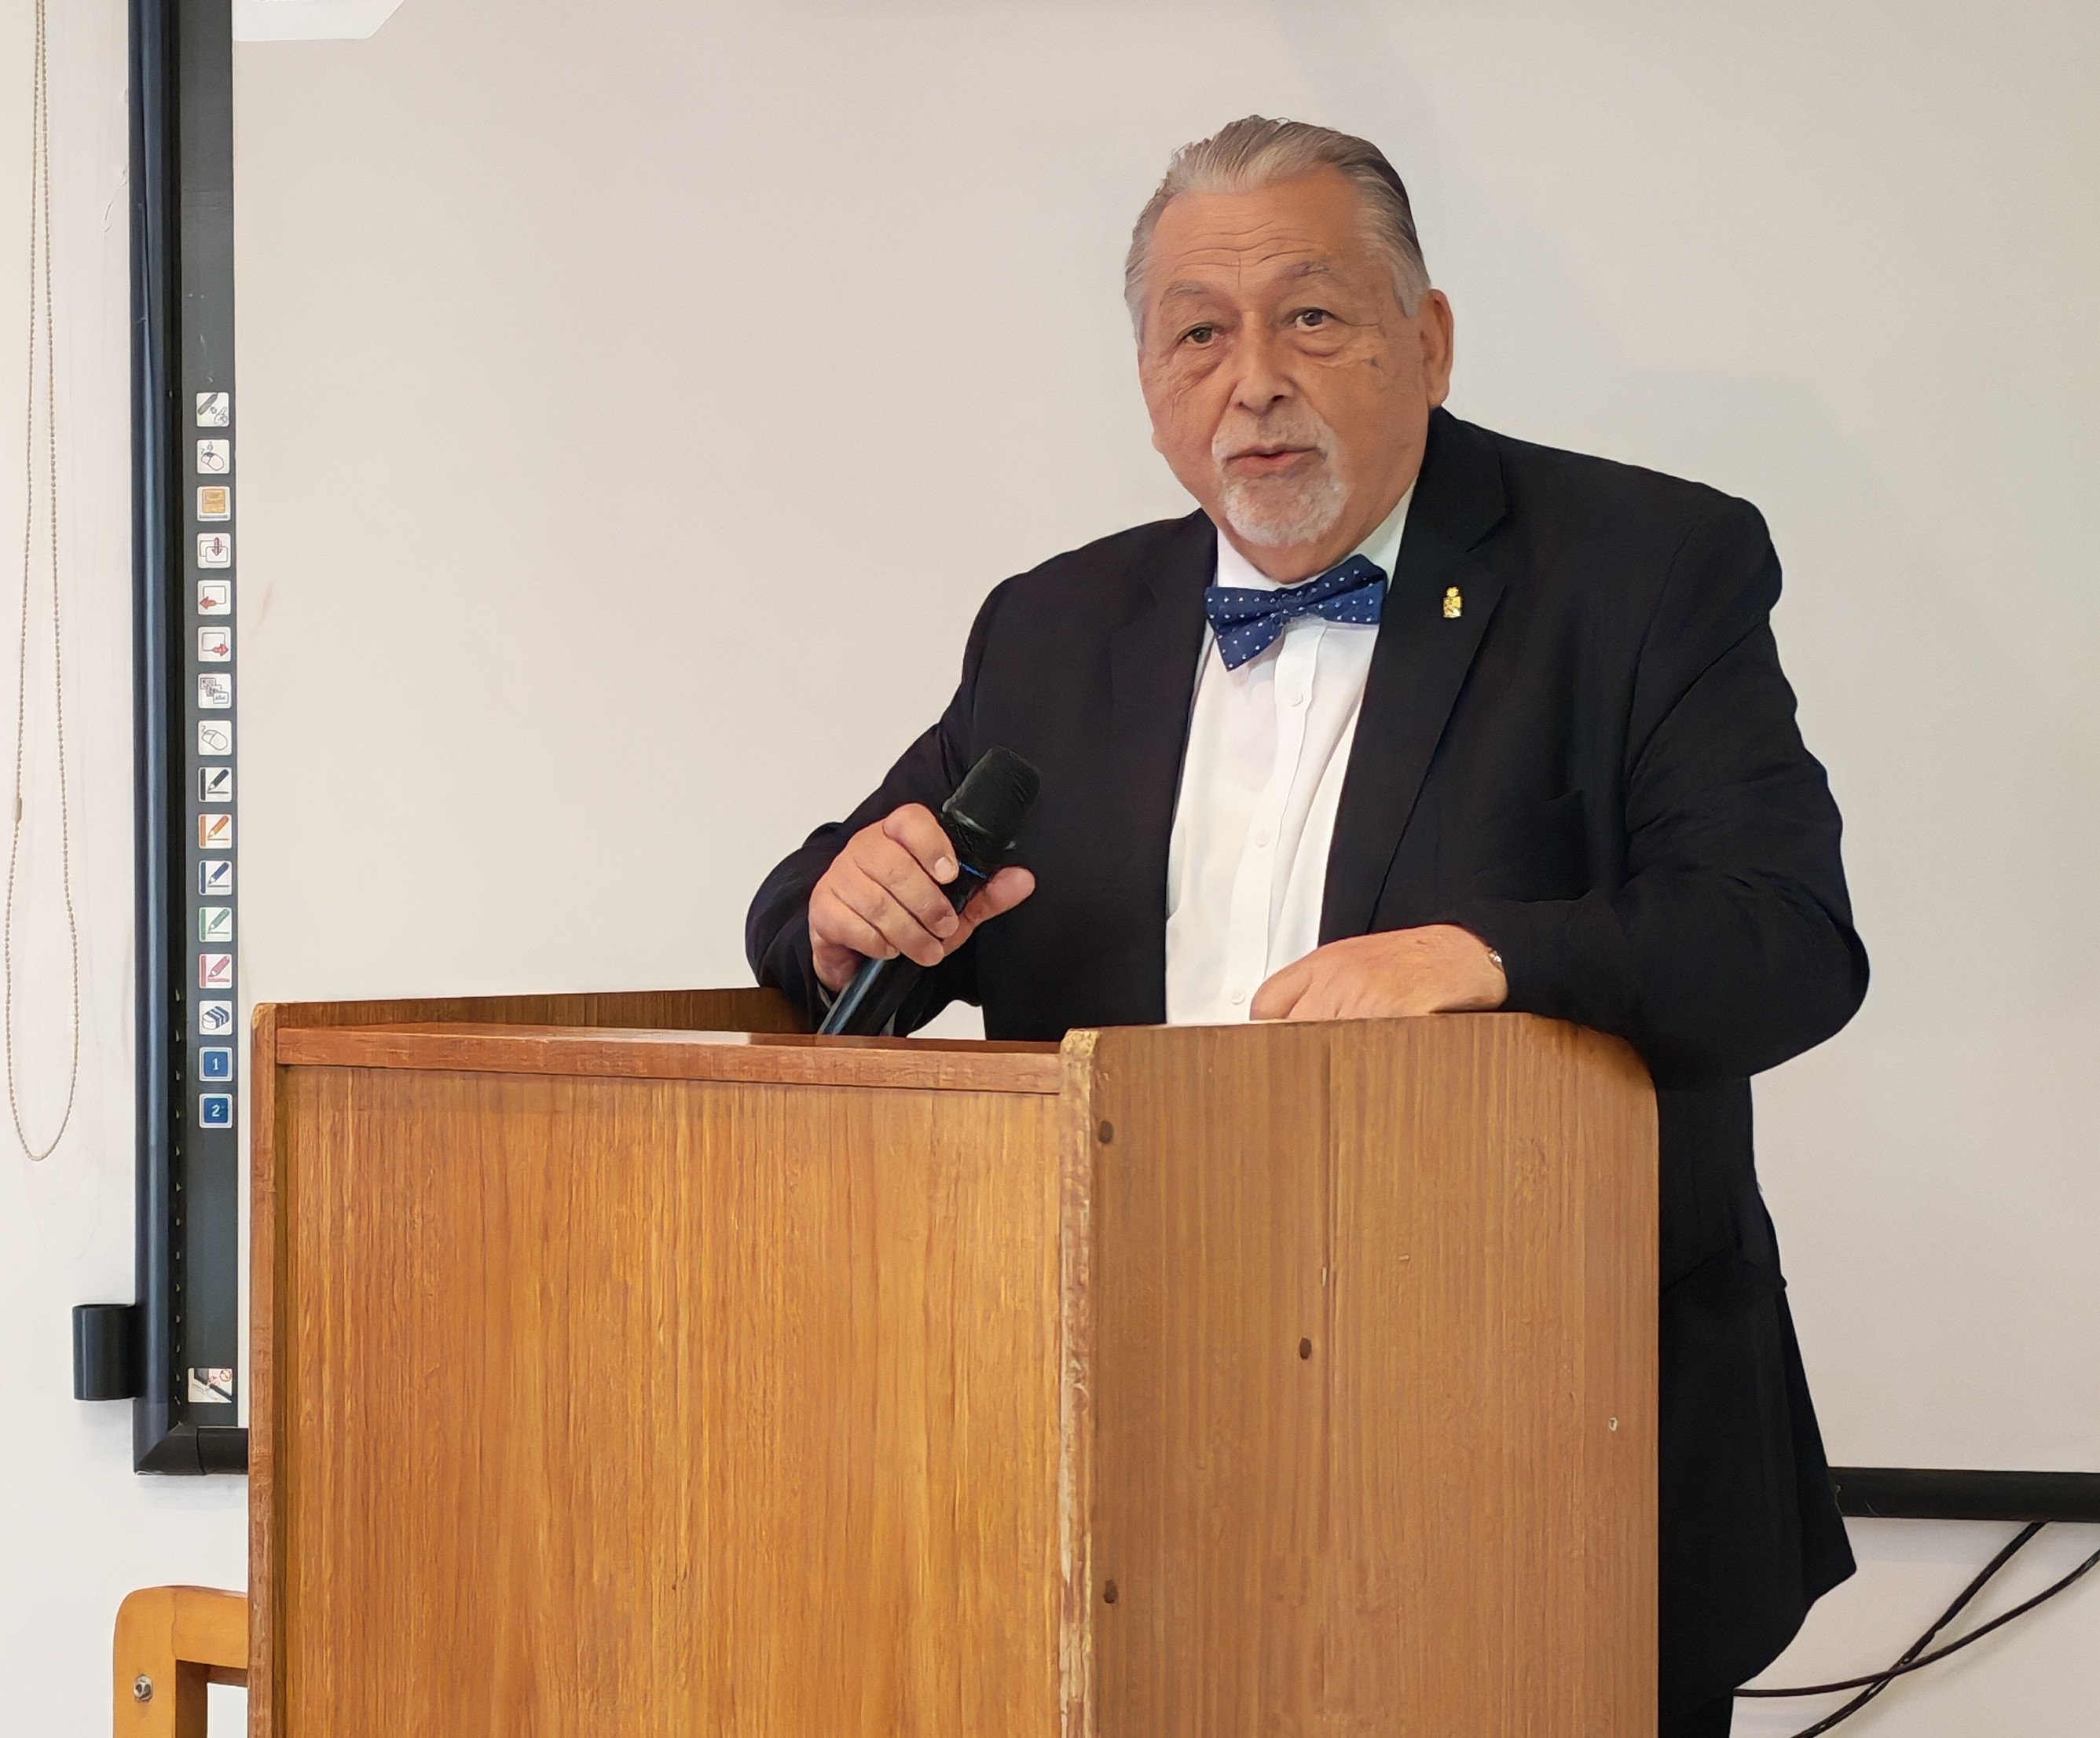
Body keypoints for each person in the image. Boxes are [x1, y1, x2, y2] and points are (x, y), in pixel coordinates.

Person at [746, 116, 1866, 1736]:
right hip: (1114, 1462)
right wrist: (843, 915)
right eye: (1197, 333)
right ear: (1148, 378)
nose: (1252, 381)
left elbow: (1782, 937)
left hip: (1534, 1462)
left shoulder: (1642, 570)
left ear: (1428, 339)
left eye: (1311, 317)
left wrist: (1487, 959)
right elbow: (832, 910)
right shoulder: (1056, 626)